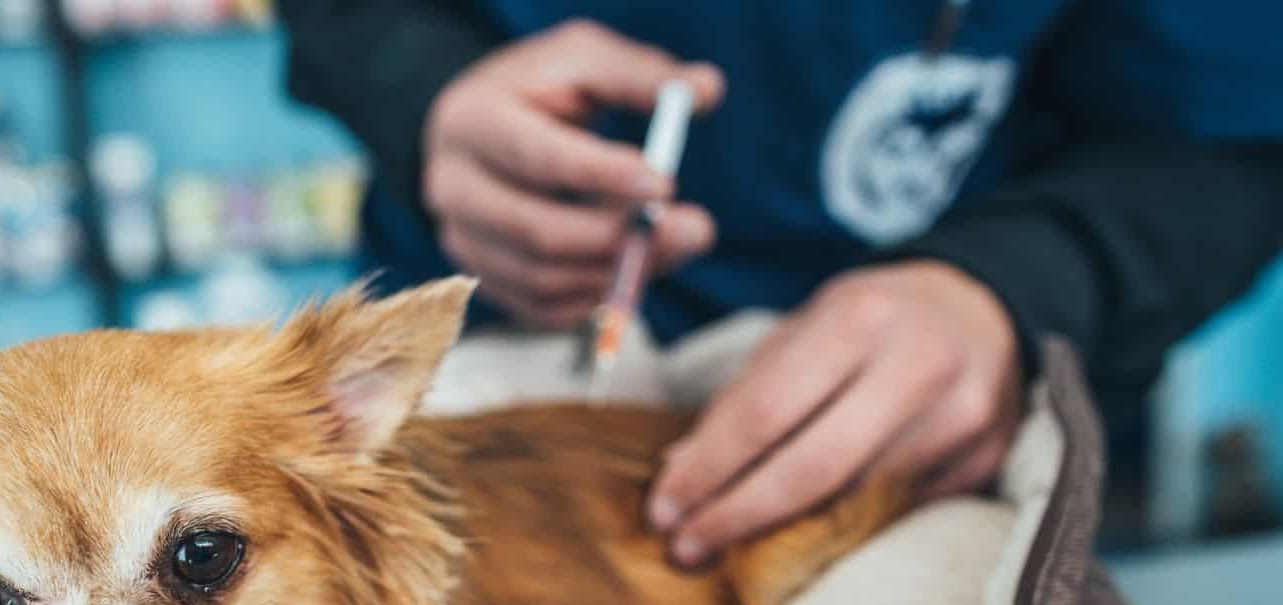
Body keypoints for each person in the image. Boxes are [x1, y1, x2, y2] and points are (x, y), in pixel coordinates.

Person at [277, 1, 1283, 565]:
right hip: (474, 364)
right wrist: (424, 92)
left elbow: (1229, 135)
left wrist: (1022, 286)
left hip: (916, 435)